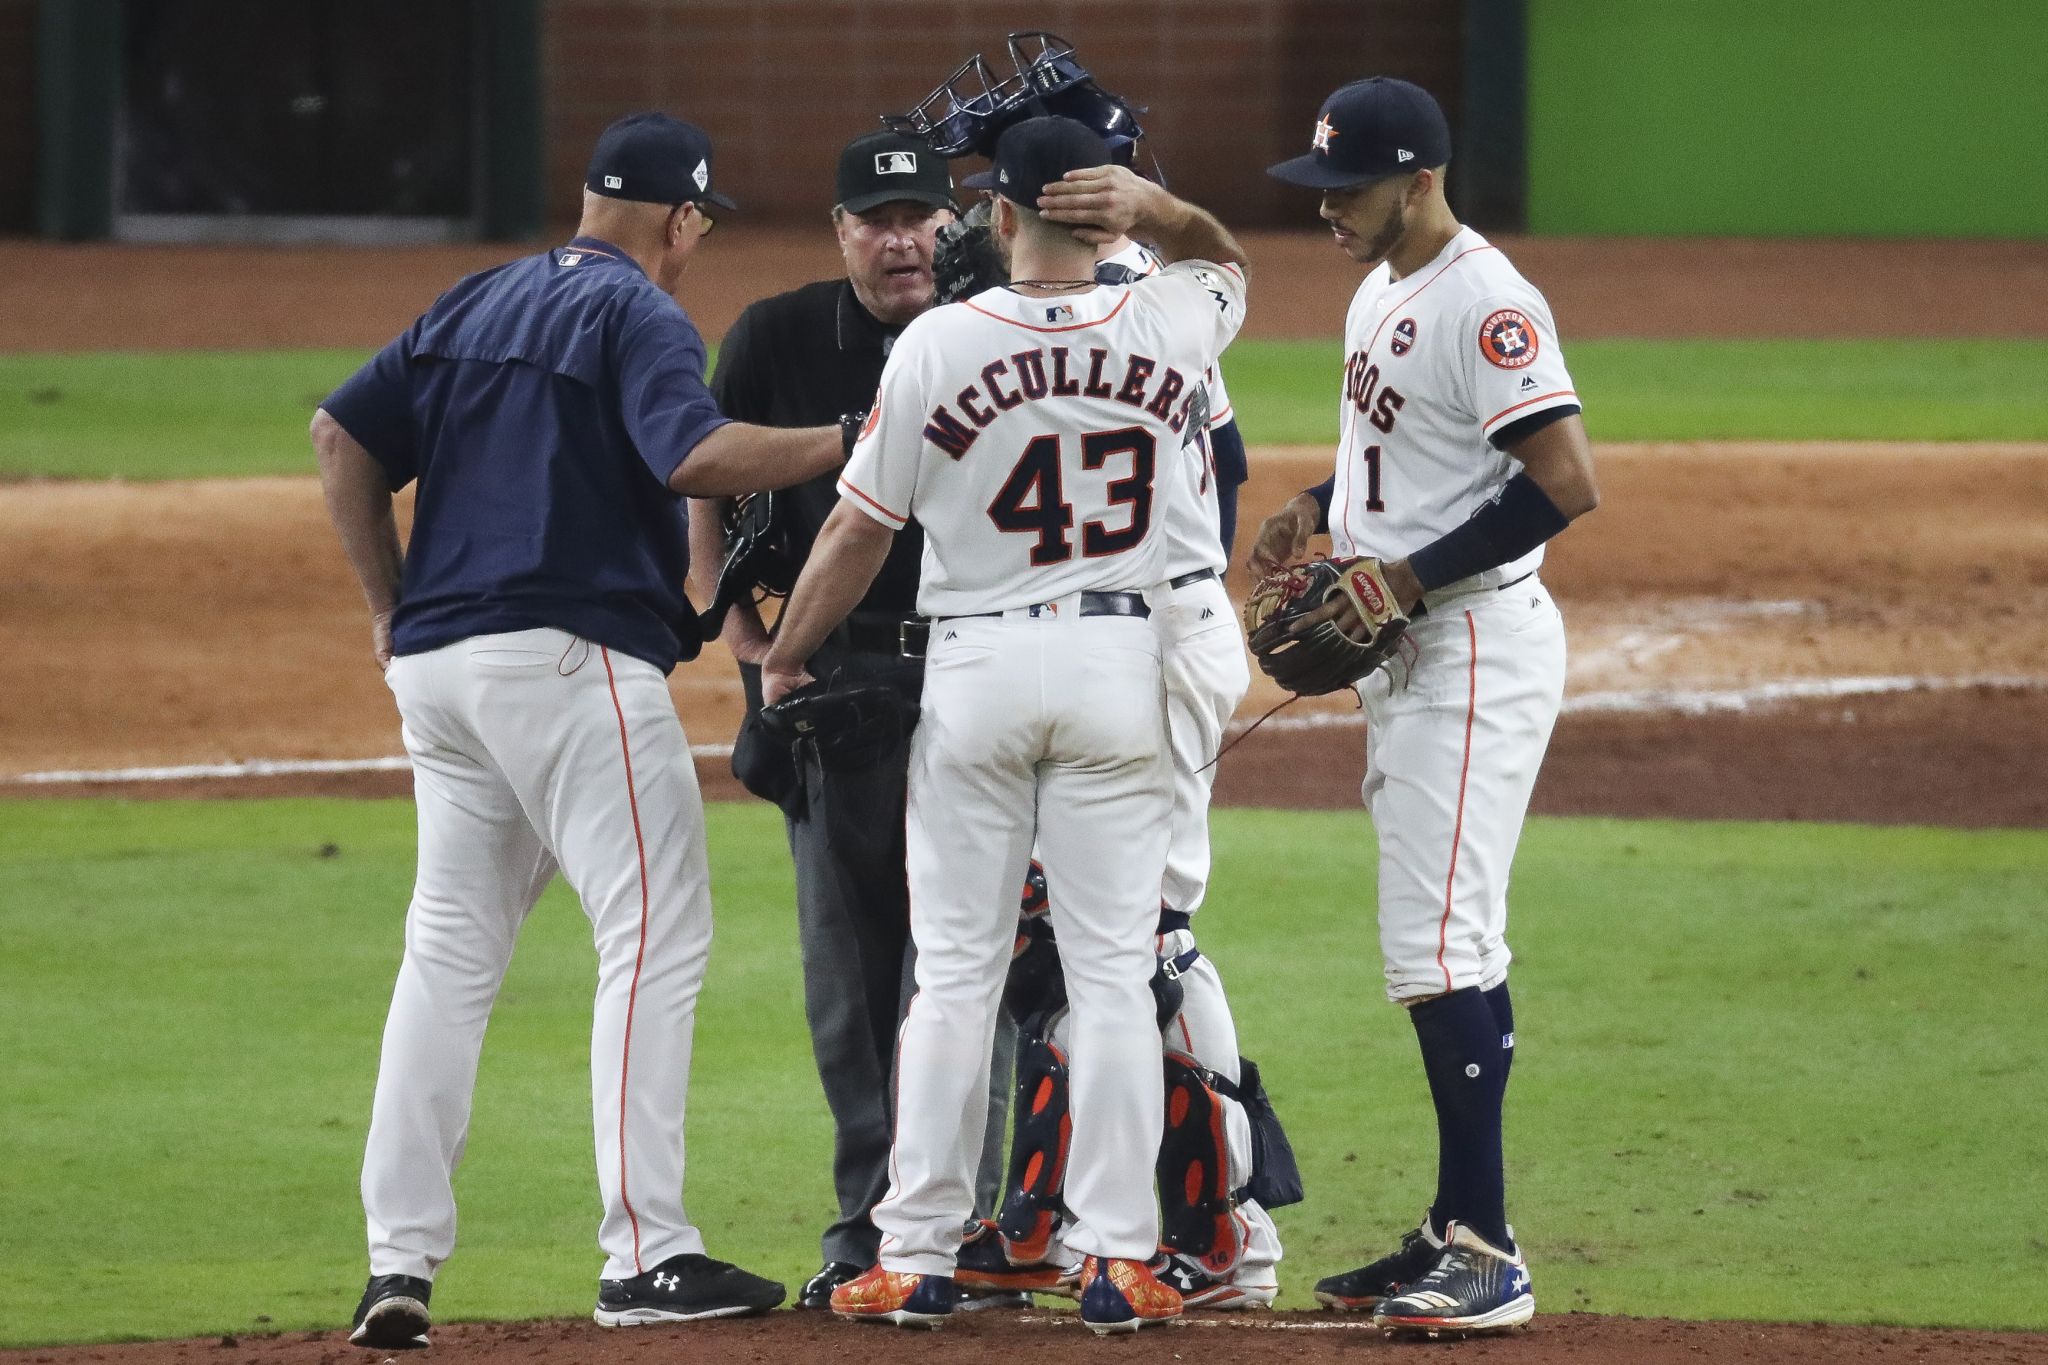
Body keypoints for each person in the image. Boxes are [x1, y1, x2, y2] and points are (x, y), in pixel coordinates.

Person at [313, 111, 861, 1351]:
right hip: (568, 665)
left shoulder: (471, 300)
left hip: (442, 673)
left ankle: (396, 1262)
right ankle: (645, 1254)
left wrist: (391, 611)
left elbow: (339, 435)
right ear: (679, 220)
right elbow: (698, 455)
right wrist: (851, 442)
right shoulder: (636, 314)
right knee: (653, 933)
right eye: (697, 229)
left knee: (447, 959)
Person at [756, 116, 1249, 1334]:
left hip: (975, 668)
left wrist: (786, 652)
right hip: (1117, 664)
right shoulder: (1170, 321)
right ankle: (1117, 1257)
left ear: (999, 218)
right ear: (1104, 216)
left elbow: (856, 526)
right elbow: (1224, 259)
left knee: (956, 978)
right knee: (1108, 977)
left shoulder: (934, 341)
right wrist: (1155, 208)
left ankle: (914, 1252)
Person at [887, 33, 1287, 1311]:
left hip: (1147, 635)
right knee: (1070, 956)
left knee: (1139, 945)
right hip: (1123, 640)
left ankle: (1220, 1234)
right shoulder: (1158, 301)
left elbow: (1209, 492)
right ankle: (1065, 1219)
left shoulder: (1134, 304)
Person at [1250, 78, 1599, 1337]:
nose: (1326, 208)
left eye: (1345, 189)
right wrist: (1314, 502)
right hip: (1412, 650)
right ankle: (1454, 1222)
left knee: (1436, 947)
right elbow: (1402, 448)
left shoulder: (1487, 300)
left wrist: (1395, 572)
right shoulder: (1376, 284)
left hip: (1466, 650)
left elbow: (1562, 482)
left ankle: (1489, 1252)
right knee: (1452, 940)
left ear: (1418, 179)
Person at [688, 129, 1017, 1311]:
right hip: (832, 683)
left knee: (973, 963)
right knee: (853, 977)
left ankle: (978, 1221)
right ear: (838, 233)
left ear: (953, 223)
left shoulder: (1000, 327)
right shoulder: (778, 336)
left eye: (921, 216)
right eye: (873, 220)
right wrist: (733, 624)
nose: (900, 239)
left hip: (981, 680)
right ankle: (864, 1226)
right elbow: (711, 476)